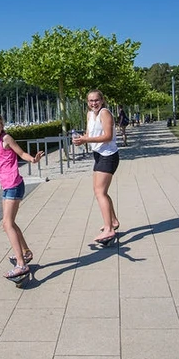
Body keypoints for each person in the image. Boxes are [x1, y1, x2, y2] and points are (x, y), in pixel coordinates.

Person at [0, 112, 44, 280]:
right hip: (7, 187)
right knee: (9, 223)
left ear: (2, 126)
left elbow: (20, 153)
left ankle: (22, 264)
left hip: (14, 185)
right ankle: (26, 252)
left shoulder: (7, 138)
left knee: (7, 224)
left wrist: (33, 160)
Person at [71, 90, 120, 246]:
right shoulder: (90, 114)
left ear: (102, 100)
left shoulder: (105, 113)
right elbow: (88, 132)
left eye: (96, 100)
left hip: (109, 155)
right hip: (98, 154)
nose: (94, 103)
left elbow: (107, 136)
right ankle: (113, 220)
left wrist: (86, 139)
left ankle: (109, 229)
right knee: (100, 191)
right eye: (91, 101)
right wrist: (81, 138)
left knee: (100, 192)